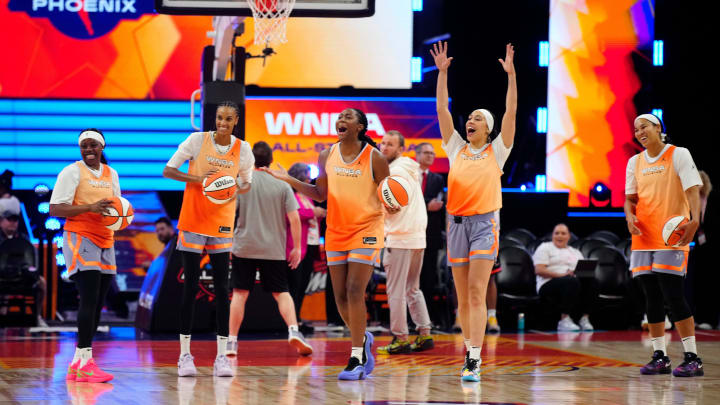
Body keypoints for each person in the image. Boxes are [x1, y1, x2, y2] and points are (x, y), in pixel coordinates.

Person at [263, 108, 390, 381]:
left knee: (355, 290)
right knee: (340, 296)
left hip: (366, 229)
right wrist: (288, 179)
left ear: (360, 127)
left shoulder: (375, 158)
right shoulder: (326, 155)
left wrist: (395, 203)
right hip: (336, 230)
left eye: (348, 117)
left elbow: (389, 195)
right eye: (340, 117)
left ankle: (356, 355)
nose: (341, 120)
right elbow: (320, 195)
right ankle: (363, 336)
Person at [431, 41, 516, 382]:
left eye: (478, 119)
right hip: (455, 226)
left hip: (484, 225)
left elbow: (511, 112)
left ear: (489, 129)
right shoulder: (456, 149)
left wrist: (511, 76)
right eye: (469, 118)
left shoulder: (498, 150)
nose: (470, 121)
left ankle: (475, 359)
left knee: (478, 292)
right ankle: (469, 349)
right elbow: (442, 111)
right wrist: (442, 74)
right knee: (462, 297)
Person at [162, 101, 254, 378]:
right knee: (190, 286)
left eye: (228, 118)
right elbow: (168, 171)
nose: (222, 122)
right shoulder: (197, 140)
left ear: (236, 120)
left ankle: (222, 357)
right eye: (219, 118)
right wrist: (198, 178)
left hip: (222, 223)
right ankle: (184, 356)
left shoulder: (243, 149)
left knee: (223, 289)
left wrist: (232, 185)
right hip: (193, 220)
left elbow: (247, 184)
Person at [625, 113, 704, 377]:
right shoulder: (634, 162)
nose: (639, 132)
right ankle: (660, 356)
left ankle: (693, 357)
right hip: (643, 237)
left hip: (671, 235)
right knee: (651, 297)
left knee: (673, 294)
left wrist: (694, 221)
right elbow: (630, 199)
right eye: (636, 129)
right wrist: (629, 217)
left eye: (644, 126)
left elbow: (693, 190)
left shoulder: (678, 154)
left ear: (658, 128)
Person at [227, 142, 313, 357]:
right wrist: (296, 249)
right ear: (271, 159)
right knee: (281, 292)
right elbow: (294, 219)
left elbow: (229, 216)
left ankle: (231, 342)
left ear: (251, 160)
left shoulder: (241, 183)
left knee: (239, 293)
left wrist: (228, 242)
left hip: (244, 246)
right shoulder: (282, 184)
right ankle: (294, 330)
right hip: (273, 248)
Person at [49, 128, 121, 383]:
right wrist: (90, 207)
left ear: (102, 147)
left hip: (106, 238)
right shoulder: (71, 172)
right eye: (84, 146)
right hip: (80, 236)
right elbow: (55, 208)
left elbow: (117, 208)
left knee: (99, 300)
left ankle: (78, 362)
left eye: (93, 145)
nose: (88, 150)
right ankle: (87, 361)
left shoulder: (111, 174)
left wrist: (122, 218)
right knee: (88, 298)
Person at [377, 130, 434, 355]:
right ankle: (424, 334)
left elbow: (393, 205)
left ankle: (400, 338)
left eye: (390, 144)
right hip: (417, 237)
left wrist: (387, 202)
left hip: (400, 237)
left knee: (396, 291)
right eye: (382, 143)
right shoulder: (411, 168)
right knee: (412, 288)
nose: (384, 147)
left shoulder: (395, 170)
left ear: (400, 149)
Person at [533, 224, 596, 331]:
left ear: (568, 236)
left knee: (592, 281)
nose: (560, 236)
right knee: (570, 281)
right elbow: (539, 270)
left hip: (572, 281)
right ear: (552, 236)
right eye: (556, 233)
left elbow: (582, 271)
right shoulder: (545, 247)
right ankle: (564, 320)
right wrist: (562, 275)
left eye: (563, 233)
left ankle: (584, 318)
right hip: (548, 283)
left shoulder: (575, 252)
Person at [287, 163, 326, 333]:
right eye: (306, 176)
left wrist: (319, 213)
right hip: (297, 246)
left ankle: (298, 317)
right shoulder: (291, 196)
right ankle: (292, 320)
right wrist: (314, 213)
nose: (310, 179)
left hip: (312, 245)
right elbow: (293, 215)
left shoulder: (309, 197)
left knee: (304, 283)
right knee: (294, 284)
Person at [414, 142, 447, 328]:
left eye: (432, 153)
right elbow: (408, 199)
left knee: (429, 278)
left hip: (431, 235)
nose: (430, 156)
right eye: (426, 153)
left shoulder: (437, 179)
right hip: (410, 234)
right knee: (411, 279)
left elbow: (439, 203)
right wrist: (427, 205)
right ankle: (410, 319)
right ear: (417, 155)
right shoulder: (409, 176)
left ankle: (427, 320)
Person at [0, 204, 47, 327]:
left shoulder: (24, 238)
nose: (13, 223)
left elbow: (31, 260)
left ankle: (37, 316)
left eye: (15, 220)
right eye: (9, 219)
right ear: (1, 221)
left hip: (22, 275)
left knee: (41, 282)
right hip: (2, 276)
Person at [689, 171, 717, 329]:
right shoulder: (693, 201)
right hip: (700, 248)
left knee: (710, 283)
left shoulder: (713, 198)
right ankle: (699, 317)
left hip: (713, 248)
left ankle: (710, 319)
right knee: (697, 282)